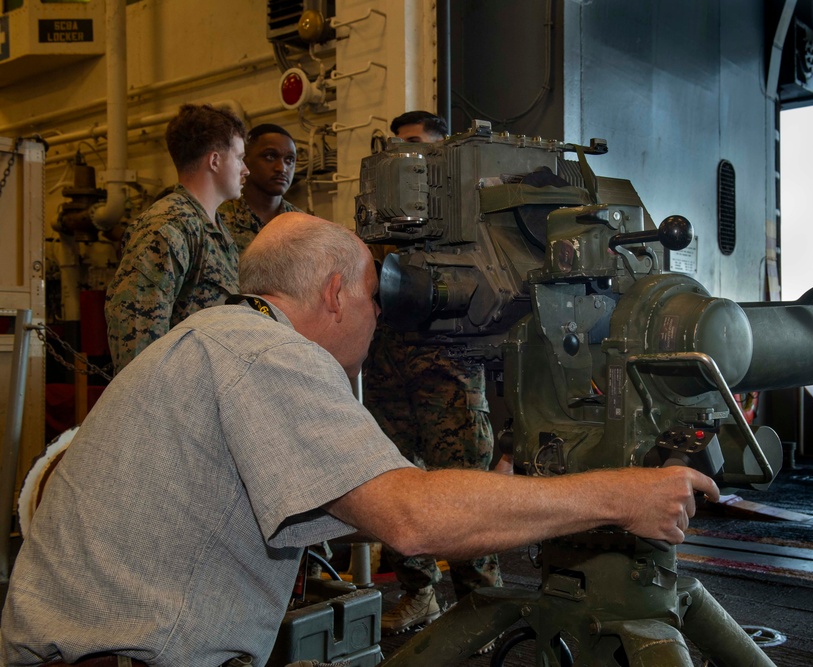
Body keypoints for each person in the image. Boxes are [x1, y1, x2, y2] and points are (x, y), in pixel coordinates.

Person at [0, 213, 720, 667]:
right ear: (336, 295)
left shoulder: (212, 340)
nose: (379, 318)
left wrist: (502, 486)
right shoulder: (269, 356)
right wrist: (619, 496)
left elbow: (354, 508)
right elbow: (411, 520)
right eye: (375, 297)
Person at [365, 111, 504, 636]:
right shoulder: (380, 219)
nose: (409, 158)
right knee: (391, 487)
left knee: (463, 493)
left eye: (421, 147)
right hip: (389, 369)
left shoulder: (467, 219)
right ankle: (419, 593)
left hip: (449, 373)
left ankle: (482, 606)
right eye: (401, 147)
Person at [104, 103, 248, 374]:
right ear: (215, 161)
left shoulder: (213, 228)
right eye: (239, 158)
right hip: (172, 400)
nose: (246, 170)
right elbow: (137, 340)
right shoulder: (167, 226)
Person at [217, 123, 301, 255]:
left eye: (289, 160)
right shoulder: (218, 220)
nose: (282, 168)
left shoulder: (302, 224)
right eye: (270, 156)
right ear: (245, 160)